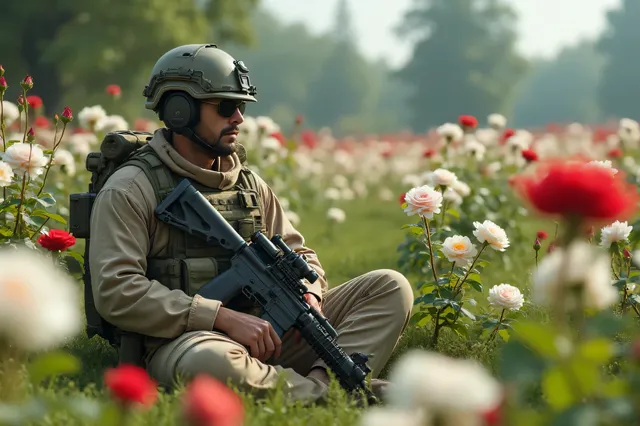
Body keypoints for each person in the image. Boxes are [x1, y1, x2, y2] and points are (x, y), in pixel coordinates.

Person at [88, 44, 414, 404]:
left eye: (241, 106)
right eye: (226, 107)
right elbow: (117, 291)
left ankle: (325, 385)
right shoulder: (133, 188)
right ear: (179, 111)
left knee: (390, 287)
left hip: (274, 332)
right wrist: (220, 318)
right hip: (186, 341)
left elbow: (299, 251)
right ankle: (337, 395)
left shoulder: (247, 184)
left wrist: (311, 292)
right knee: (211, 363)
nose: (240, 118)